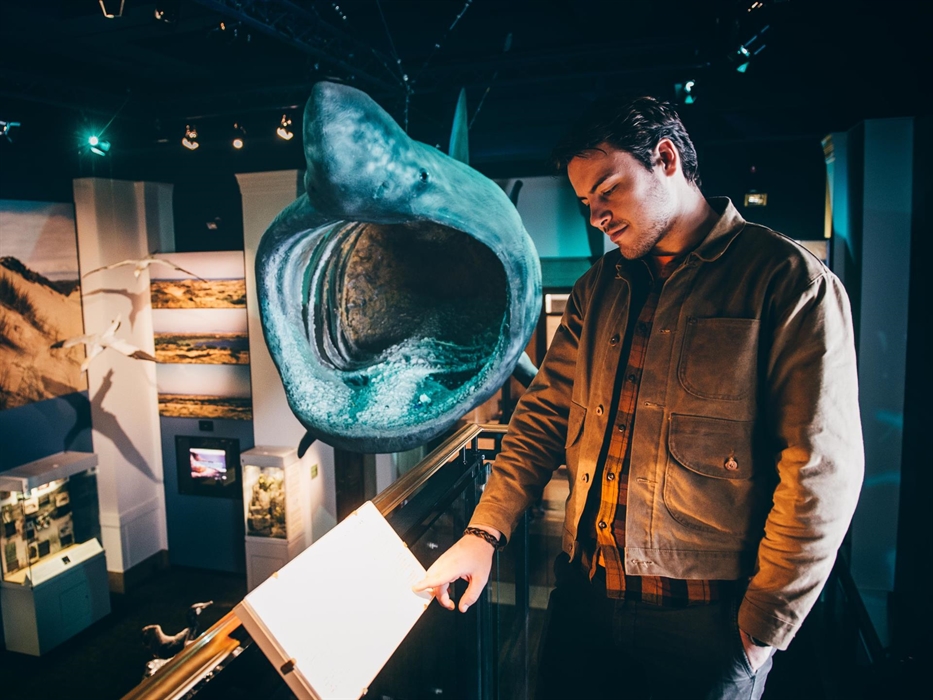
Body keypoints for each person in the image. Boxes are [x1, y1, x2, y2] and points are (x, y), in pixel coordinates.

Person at [413, 96, 863, 700]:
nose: (596, 214)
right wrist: (484, 532)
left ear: (667, 158)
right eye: (585, 202)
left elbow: (820, 471)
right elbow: (543, 415)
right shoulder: (598, 289)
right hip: (582, 605)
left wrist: (762, 629)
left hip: (707, 628)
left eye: (608, 189)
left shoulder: (789, 283)